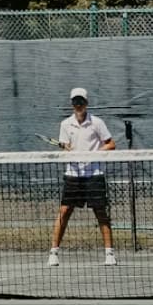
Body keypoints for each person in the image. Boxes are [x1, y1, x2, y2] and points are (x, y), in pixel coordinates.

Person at [48, 87, 116, 267]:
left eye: (81, 102)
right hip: (73, 175)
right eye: (75, 102)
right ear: (72, 104)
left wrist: (93, 154)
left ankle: (109, 254)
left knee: (101, 212)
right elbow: (66, 147)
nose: (78, 105)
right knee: (64, 212)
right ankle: (53, 253)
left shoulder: (97, 123)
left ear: (87, 103)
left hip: (94, 174)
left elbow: (111, 144)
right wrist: (69, 152)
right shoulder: (65, 124)